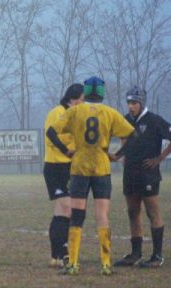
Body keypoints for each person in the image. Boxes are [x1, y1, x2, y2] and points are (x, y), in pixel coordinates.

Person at [53, 76, 135, 276]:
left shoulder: (75, 111)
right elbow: (132, 135)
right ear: (102, 93)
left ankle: (72, 264)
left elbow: (51, 131)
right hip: (101, 168)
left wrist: (65, 150)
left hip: (80, 168)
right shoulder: (109, 113)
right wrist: (117, 155)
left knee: (78, 216)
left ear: (86, 91)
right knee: (102, 215)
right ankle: (106, 264)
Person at [112, 86, 171, 268]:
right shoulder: (126, 119)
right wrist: (118, 156)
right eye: (128, 102)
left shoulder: (154, 120)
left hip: (148, 173)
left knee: (152, 213)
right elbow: (125, 143)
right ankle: (135, 254)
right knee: (133, 212)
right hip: (130, 173)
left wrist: (159, 158)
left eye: (134, 103)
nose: (130, 106)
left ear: (141, 102)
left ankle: (157, 256)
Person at [43, 83, 84, 268]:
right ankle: (61, 253)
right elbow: (50, 135)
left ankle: (57, 256)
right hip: (54, 167)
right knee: (66, 208)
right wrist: (65, 150)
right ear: (72, 98)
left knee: (62, 211)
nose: (83, 104)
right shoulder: (57, 112)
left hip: (69, 168)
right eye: (81, 100)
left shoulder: (77, 115)